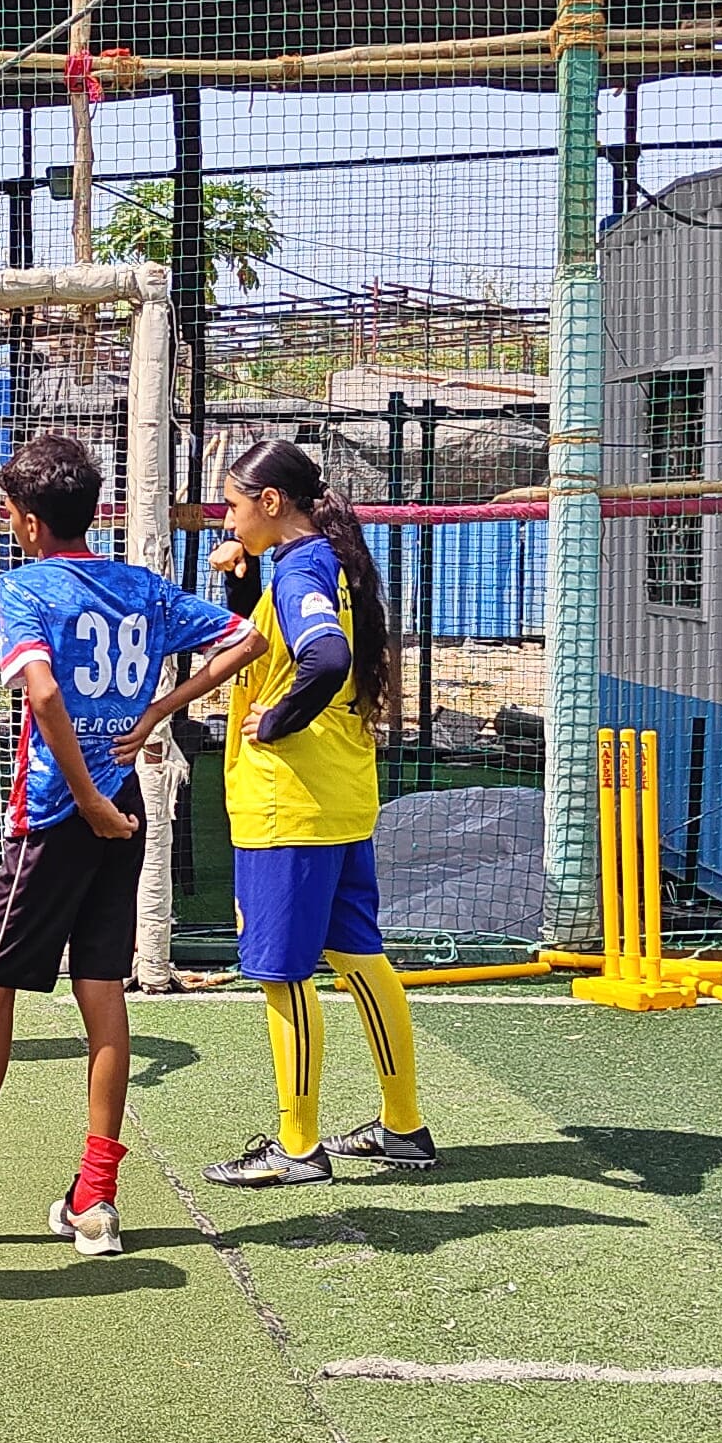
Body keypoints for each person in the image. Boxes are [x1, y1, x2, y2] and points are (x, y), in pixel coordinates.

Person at [0, 433, 256, 1257]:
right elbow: (246, 638)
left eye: (9, 512)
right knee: (101, 994)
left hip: (61, 816)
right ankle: (95, 1201)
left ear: (29, 521)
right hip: (126, 809)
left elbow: (41, 693)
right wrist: (155, 713)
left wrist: (90, 798)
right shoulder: (141, 587)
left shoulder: (23, 587)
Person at [126, 436, 442, 1187]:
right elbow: (269, 645)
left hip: (288, 806)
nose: (226, 521)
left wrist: (277, 721)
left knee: (282, 974)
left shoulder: (300, 569)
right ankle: (404, 1126)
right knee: (360, 957)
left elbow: (324, 657)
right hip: (338, 797)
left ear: (271, 503)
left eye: (233, 506)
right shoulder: (325, 562)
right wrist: (241, 589)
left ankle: (297, 1146)